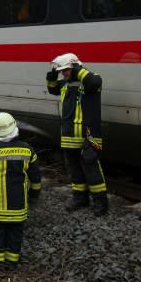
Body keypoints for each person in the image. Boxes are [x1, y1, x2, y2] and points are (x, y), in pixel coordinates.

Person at [0, 112, 41, 271]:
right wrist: (34, 196)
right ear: (14, 127)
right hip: (19, 208)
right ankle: (11, 263)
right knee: (15, 236)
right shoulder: (28, 150)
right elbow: (36, 178)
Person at [46, 53, 108, 215]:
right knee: (74, 170)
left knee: (91, 169)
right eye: (61, 71)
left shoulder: (91, 80)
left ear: (75, 67)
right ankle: (80, 198)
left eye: (66, 70)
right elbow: (52, 89)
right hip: (68, 136)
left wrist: (78, 69)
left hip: (87, 136)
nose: (63, 74)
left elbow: (92, 83)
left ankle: (100, 203)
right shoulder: (66, 84)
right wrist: (51, 76)